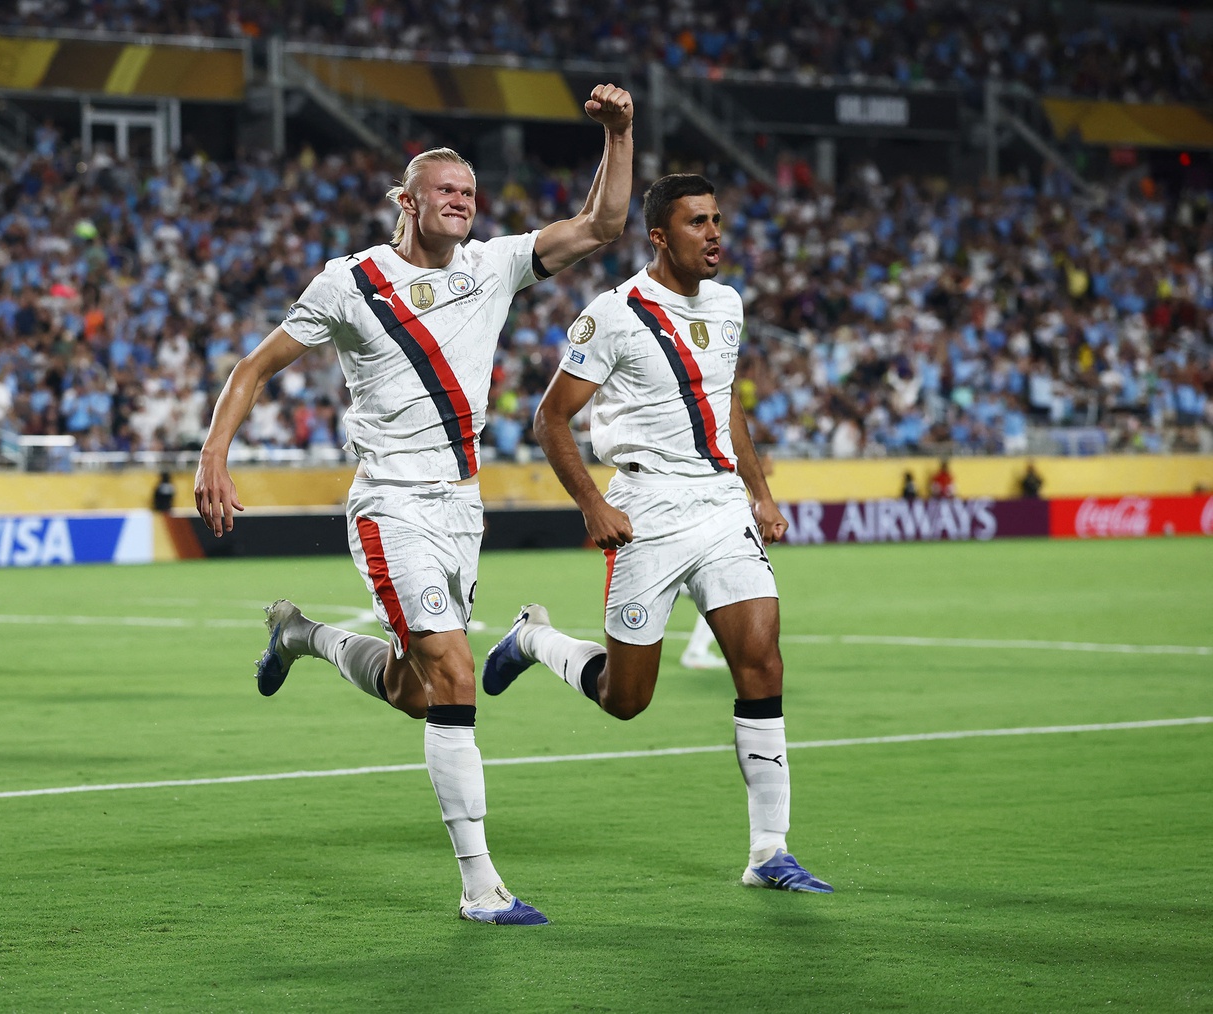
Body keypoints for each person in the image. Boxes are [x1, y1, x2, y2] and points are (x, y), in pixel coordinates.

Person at [193, 84, 635, 926]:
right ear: (408, 201)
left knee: (416, 691)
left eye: (470, 193)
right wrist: (214, 454)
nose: (464, 203)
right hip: (389, 506)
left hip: (460, 511)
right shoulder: (351, 281)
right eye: (447, 192)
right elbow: (252, 369)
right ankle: (480, 886)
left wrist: (619, 134)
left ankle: (302, 635)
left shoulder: (493, 265)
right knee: (454, 677)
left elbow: (601, 227)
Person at [482, 174, 832, 894]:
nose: (714, 234)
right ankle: (533, 639)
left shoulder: (729, 306)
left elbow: (724, 399)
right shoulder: (613, 315)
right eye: (697, 222)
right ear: (660, 237)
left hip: (719, 509)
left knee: (762, 666)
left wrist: (758, 491)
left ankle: (769, 852)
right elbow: (549, 418)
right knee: (625, 698)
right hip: (645, 510)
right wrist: (591, 504)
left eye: (717, 220)